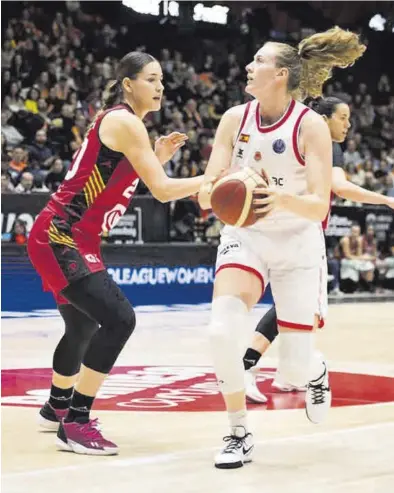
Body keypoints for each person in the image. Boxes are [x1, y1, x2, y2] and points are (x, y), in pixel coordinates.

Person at [27, 51, 212, 456]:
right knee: (119, 319)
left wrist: (157, 158)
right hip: (63, 235)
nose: (160, 86)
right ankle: (75, 421)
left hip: (70, 236)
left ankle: (56, 406)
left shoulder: (128, 125)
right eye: (151, 78)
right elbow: (163, 191)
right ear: (128, 83)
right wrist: (216, 179)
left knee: (81, 327)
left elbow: (120, 180)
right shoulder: (125, 121)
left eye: (162, 79)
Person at [198, 27, 366, 469]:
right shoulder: (235, 118)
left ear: (282, 74)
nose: (249, 67)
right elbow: (209, 184)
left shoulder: (310, 125)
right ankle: (238, 433)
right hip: (246, 235)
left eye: (258, 61)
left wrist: (277, 197)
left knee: (292, 368)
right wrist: (211, 192)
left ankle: (314, 369)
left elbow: (318, 205)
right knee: (220, 332)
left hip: (296, 238)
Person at [243, 97, 394, 403]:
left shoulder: (292, 134)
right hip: (301, 232)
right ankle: (248, 363)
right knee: (303, 308)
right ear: (323, 118)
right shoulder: (323, 141)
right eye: (343, 117)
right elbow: (341, 187)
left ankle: (288, 374)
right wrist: (387, 200)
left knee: (296, 308)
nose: (348, 124)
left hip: (275, 227)